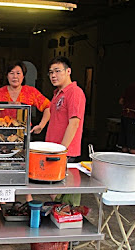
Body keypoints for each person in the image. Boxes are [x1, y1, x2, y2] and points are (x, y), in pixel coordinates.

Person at [46, 56, 86, 206]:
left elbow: (74, 123)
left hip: (65, 152)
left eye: (57, 71)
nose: (53, 75)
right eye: (50, 72)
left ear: (68, 71)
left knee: (64, 196)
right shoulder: (57, 93)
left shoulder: (74, 92)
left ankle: (68, 223)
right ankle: (60, 221)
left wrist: (61, 151)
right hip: (54, 150)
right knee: (53, 192)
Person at [0, 60, 51, 134]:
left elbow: (48, 107)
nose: (15, 76)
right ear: (7, 76)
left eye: (18, 73)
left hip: (25, 131)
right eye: (11, 73)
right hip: (3, 130)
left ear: (23, 76)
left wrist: (41, 125)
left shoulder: (31, 91)